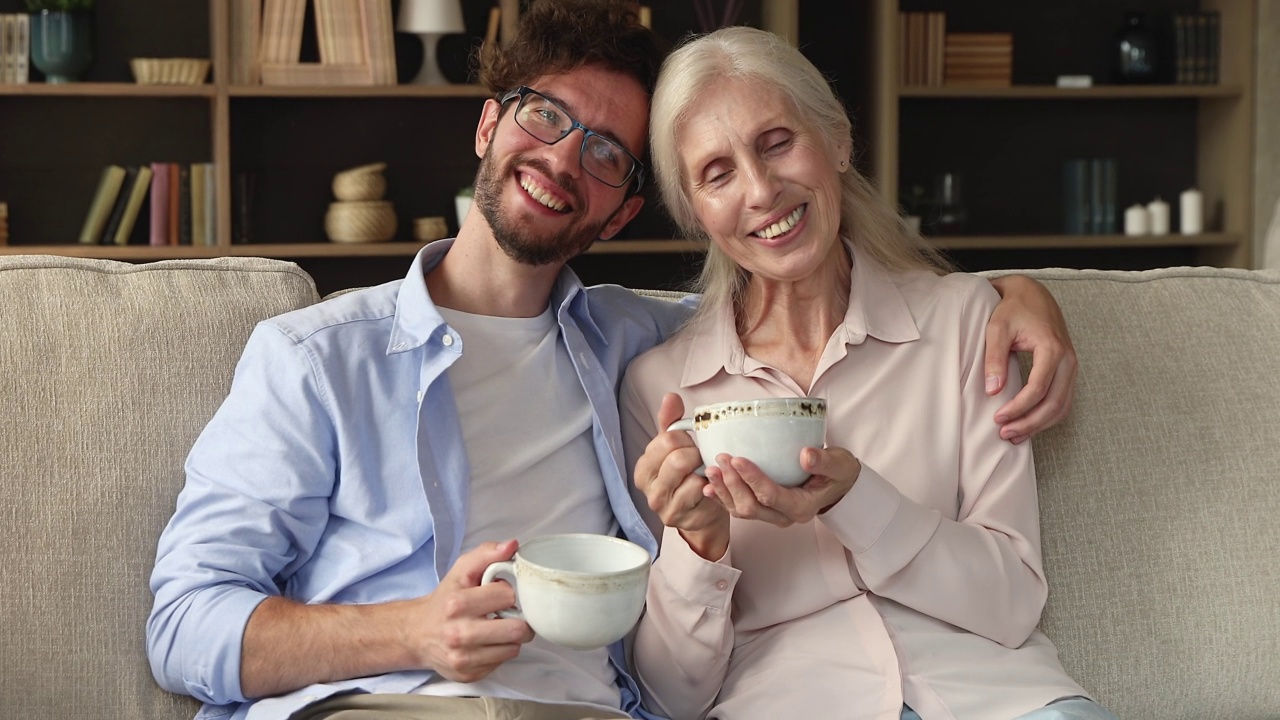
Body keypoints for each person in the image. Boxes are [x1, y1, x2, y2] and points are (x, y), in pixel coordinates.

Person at [145, 3, 1078, 719]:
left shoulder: (635, 348)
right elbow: (182, 623)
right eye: (543, 116)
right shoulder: (315, 361)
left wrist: (1014, 294)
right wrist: (412, 630)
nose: (561, 159)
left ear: (626, 210)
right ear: (487, 125)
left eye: (603, 153)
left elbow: (792, 282)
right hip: (392, 703)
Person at [620, 26, 1115, 720]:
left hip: (1001, 702)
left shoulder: (966, 323)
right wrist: (698, 544)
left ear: (838, 142)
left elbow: (1012, 602)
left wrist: (854, 500)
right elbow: (671, 697)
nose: (761, 190)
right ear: (696, 213)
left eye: (777, 142)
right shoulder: (661, 391)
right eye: (718, 173)